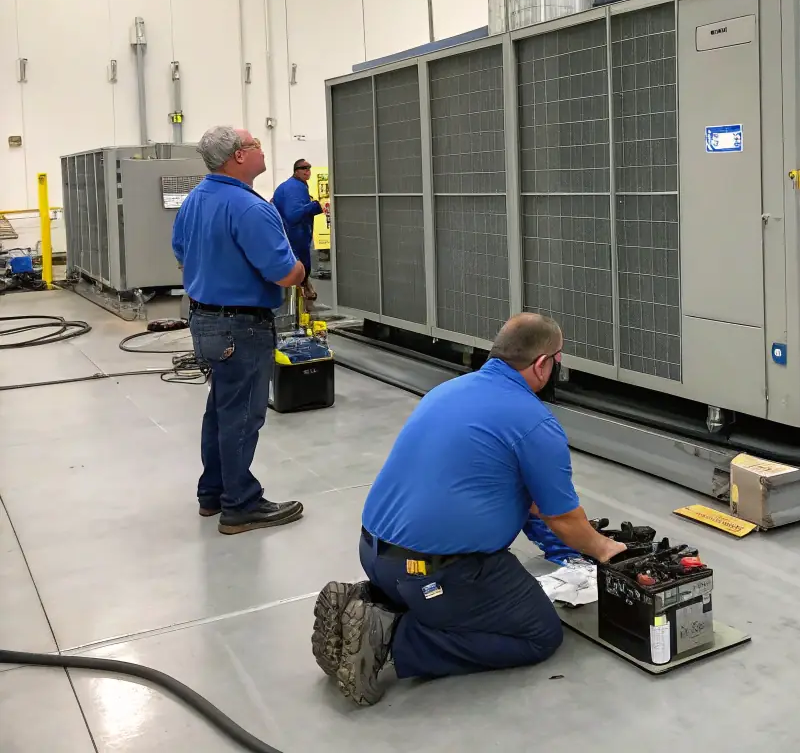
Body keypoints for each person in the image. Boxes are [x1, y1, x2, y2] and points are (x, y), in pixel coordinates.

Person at [313, 313, 627, 706]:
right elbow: (562, 516)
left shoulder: (447, 391)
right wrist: (603, 551)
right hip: (435, 573)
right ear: (544, 364)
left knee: (462, 578)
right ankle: (391, 637)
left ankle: (368, 603)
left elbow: (527, 501)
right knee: (540, 634)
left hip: (375, 555)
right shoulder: (534, 422)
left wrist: (565, 552)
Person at [172, 126, 306, 534]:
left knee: (220, 410)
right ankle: (241, 504)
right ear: (239, 157)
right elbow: (284, 273)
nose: (261, 150)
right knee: (242, 417)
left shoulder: (196, 199)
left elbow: (181, 250)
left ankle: (212, 494)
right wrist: (302, 270)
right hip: (241, 327)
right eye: (255, 145)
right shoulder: (249, 207)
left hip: (205, 320)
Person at [271, 159, 326, 302]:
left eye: (309, 168)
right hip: (295, 235)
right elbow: (293, 214)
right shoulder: (295, 187)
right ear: (296, 171)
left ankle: (301, 288)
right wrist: (316, 206)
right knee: (300, 267)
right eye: (303, 168)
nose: (307, 171)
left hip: (289, 235)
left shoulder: (292, 186)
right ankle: (300, 292)